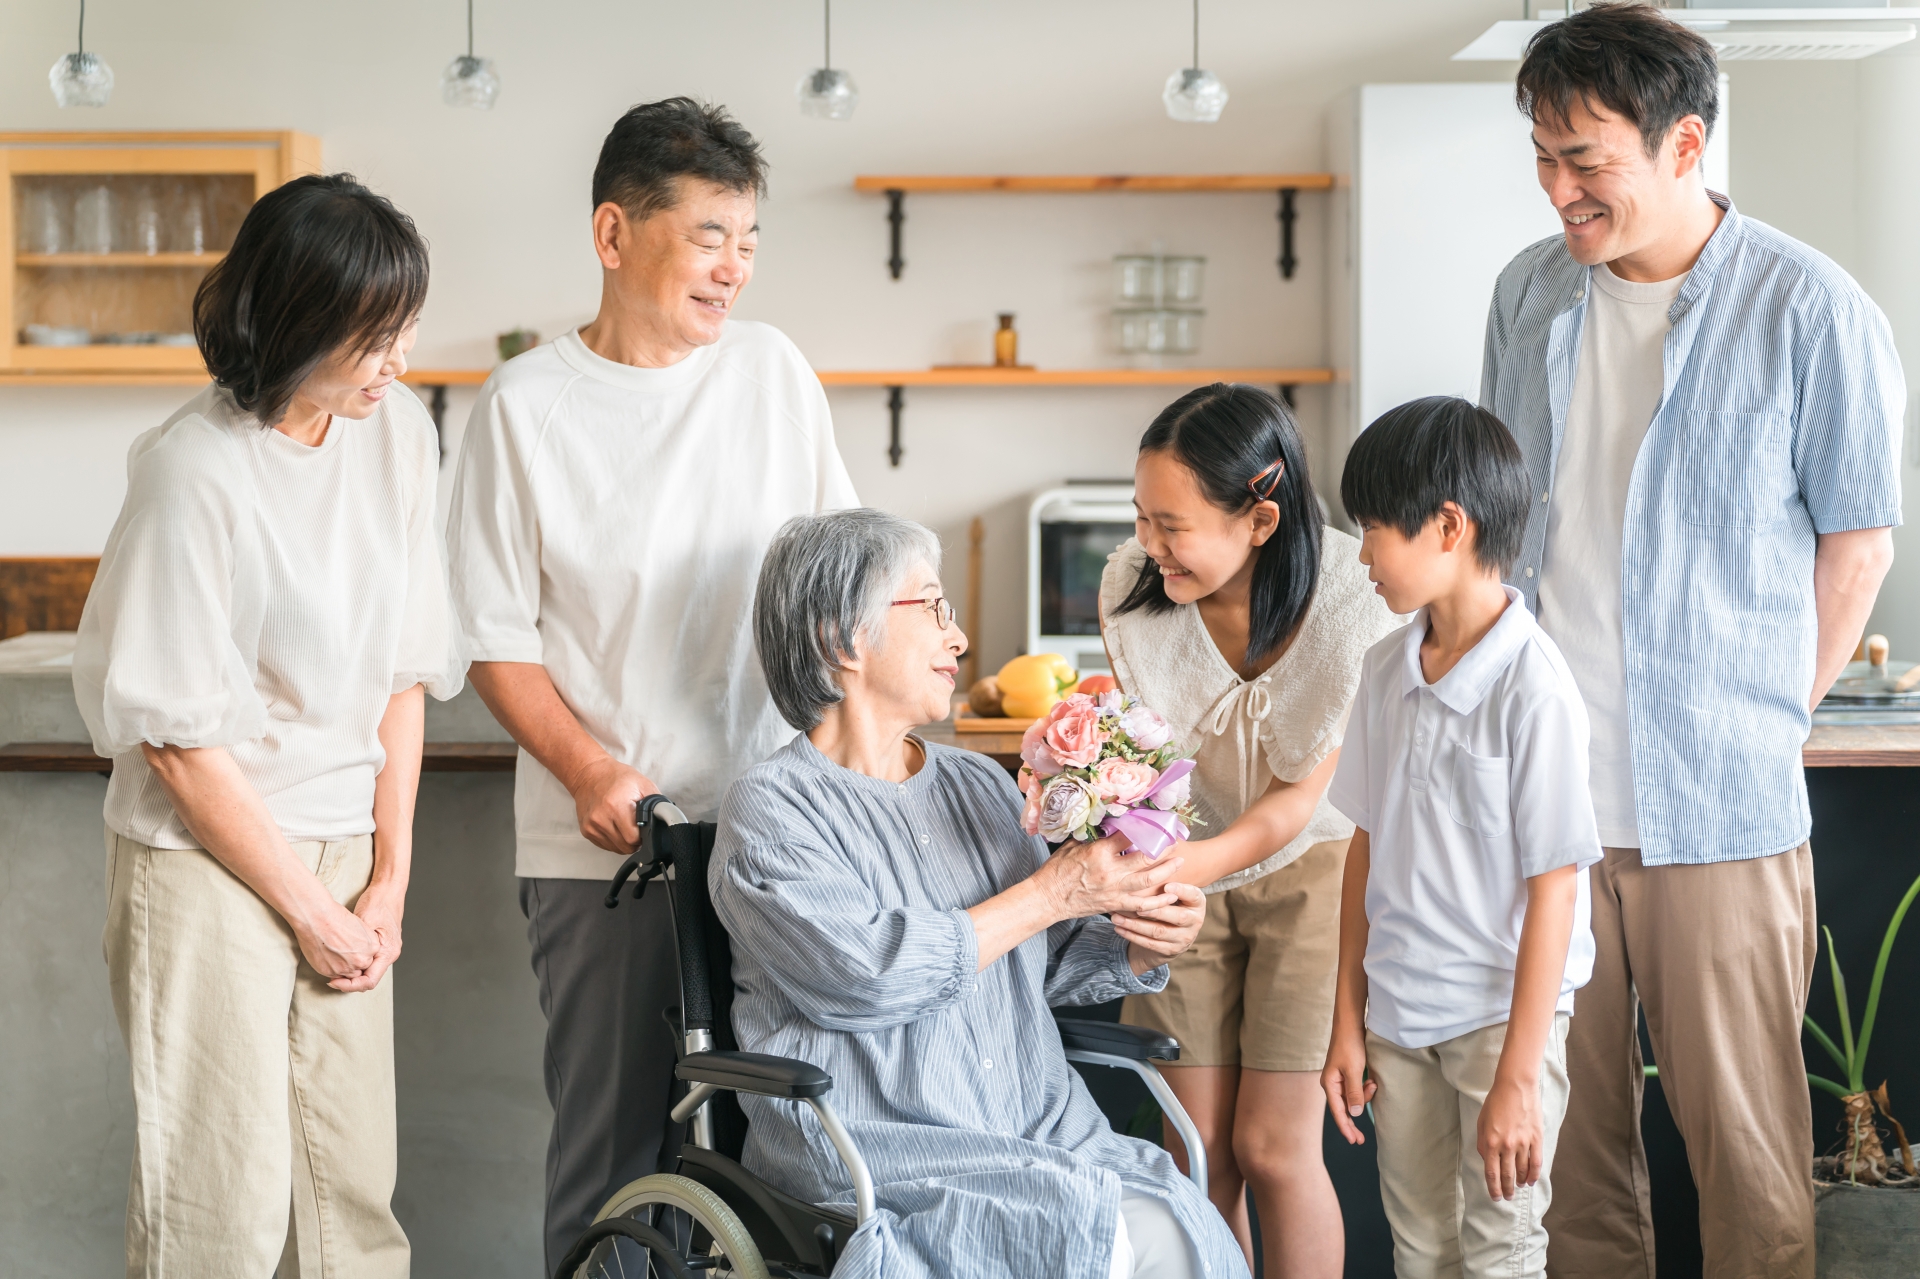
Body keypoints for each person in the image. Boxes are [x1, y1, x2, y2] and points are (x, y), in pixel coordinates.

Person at [1486, 8, 1903, 1275]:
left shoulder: (1811, 306)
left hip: (1717, 803)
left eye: (1588, 162)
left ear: (1683, 145)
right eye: (1545, 157)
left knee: (1746, 1152)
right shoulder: (1528, 290)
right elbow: (1505, 533)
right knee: (1574, 1160)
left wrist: (1767, 716)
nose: (1561, 190)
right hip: (1549, 799)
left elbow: (1858, 548)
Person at [446, 97, 858, 1271]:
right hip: (610, 855)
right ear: (614, 234)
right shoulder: (525, 407)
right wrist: (585, 766)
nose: (734, 266)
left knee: (783, 1146)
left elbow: (843, 572)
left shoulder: (771, 371)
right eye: (710, 234)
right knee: (622, 1158)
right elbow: (493, 636)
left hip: (778, 835)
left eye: (749, 238)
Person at [71, 174, 460, 1277]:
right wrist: (309, 909)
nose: (399, 362)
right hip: (205, 859)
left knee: (353, 1205)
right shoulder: (193, 472)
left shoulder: (398, 438)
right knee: (219, 1214)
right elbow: (178, 743)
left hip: (345, 849)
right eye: (374, 336)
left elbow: (403, 675)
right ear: (295, 322)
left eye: (405, 331)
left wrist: (387, 882)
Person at [710, 508, 1245, 1279]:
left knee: (1176, 1225)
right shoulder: (771, 811)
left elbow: (1038, 954)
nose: (957, 637)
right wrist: (1055, 889)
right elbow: (868, 973)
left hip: (1036, 1126)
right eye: (931, 607)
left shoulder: (975, 783)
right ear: (841, 638)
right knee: (1101, 1239)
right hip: (887, 1146)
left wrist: (1133, 934)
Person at [1096, 383, 1401, 1278]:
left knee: (1273, 1147)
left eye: (1173, 525)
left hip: (1315, 870)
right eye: (1142, 516)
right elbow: (1144, 747)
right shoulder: (1132, 587)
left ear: (1260, 519)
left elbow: (1292, 803)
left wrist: (1183, 866)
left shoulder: (1351, 598)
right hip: (1181, 871)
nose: (1149, 546)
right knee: (1197, 1151)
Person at [1320, 396, 1600, 1279]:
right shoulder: (1382, 669)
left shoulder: (1535, 687)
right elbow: (1363, 847)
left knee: (1501, 1254)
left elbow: (1557, 885)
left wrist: (1520, 1074)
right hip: (1400, 1022)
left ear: (1449, 526)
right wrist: (1347, 1021)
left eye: (1372, 529)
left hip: (1496, 1026)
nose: (1361, 554)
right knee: (1424, 1250)